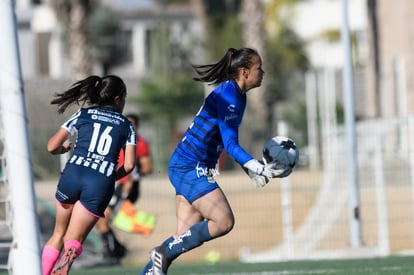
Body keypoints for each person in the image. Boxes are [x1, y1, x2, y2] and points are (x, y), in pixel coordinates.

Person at [140, 47, 291, 275]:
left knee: (183, 235)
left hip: (187, 165)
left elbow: (227, 140)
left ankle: (153, 266)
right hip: (189, 167)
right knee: (223, 221)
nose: (263, 72)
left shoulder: (237, 95)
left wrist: (248, 170)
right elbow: (230, 145)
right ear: (244, 72)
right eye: (259, 68)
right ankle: (162, 252)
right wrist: (258, 166)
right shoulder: (229, 97)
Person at [41, 75, 136, 275]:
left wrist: (63, 150)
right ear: (118, 99)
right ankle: (70, 253)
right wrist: (109, 177)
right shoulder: (127, 125)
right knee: (73, 240)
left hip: (73, 173)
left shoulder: (83, 114)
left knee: (58, 233)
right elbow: (128, 165)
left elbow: (51, 146)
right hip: (99, 182)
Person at [95, 113, 153, 263]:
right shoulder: (117, 140)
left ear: (137, 127)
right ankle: (117, 250)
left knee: (102, 218)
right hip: (116, 186)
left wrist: (133, 177)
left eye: (132, 124)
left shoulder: (140, 143)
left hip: (128, 188)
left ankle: (114, 253)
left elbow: (147, 167)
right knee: (100, 219)